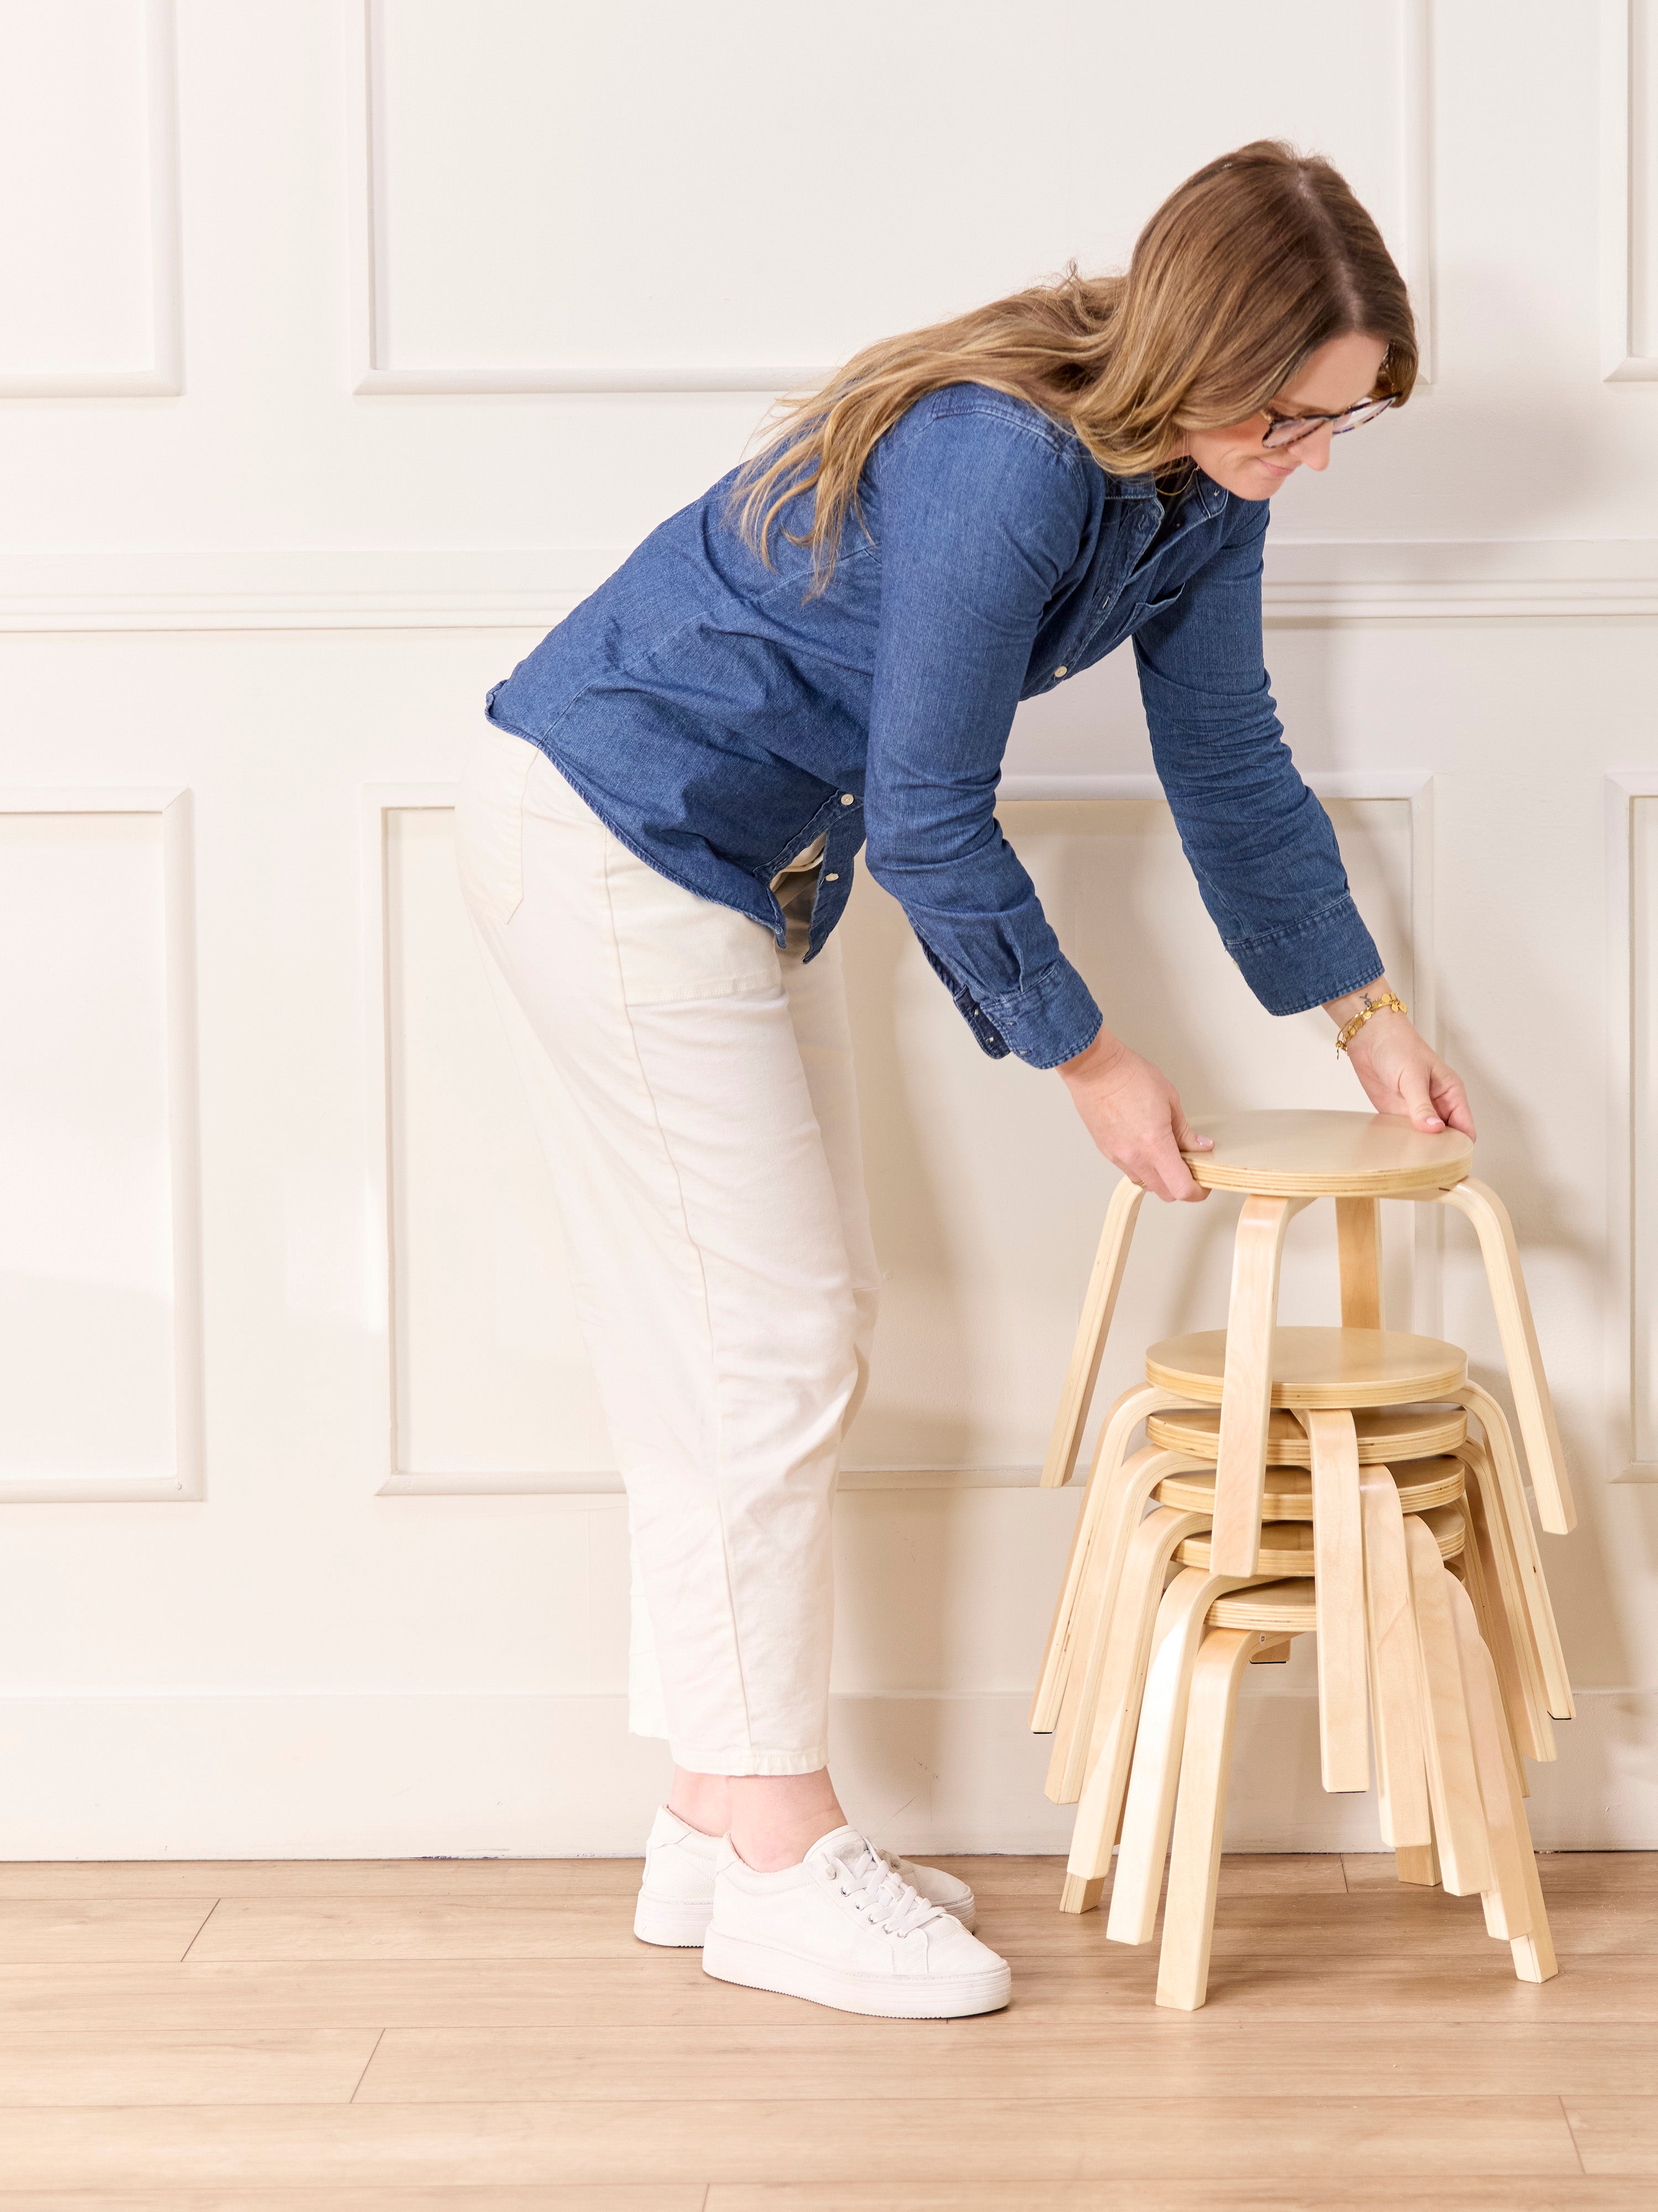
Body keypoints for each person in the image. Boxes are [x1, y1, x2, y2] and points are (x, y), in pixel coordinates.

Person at [454, 140, 1474, 2021]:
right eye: (1296, 412)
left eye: (1346, 425)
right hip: (614, 843)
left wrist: (1363, 1014)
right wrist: (1086, 1053)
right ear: (1204, 348)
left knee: (780, 1325)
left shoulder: (1199, 480)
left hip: (735, 869)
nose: (1314, 453)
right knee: (763, 1349)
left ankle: (707, 1816)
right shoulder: (1005, 459)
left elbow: (1230, 758)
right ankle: (778, 1845)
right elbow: (930, 815)